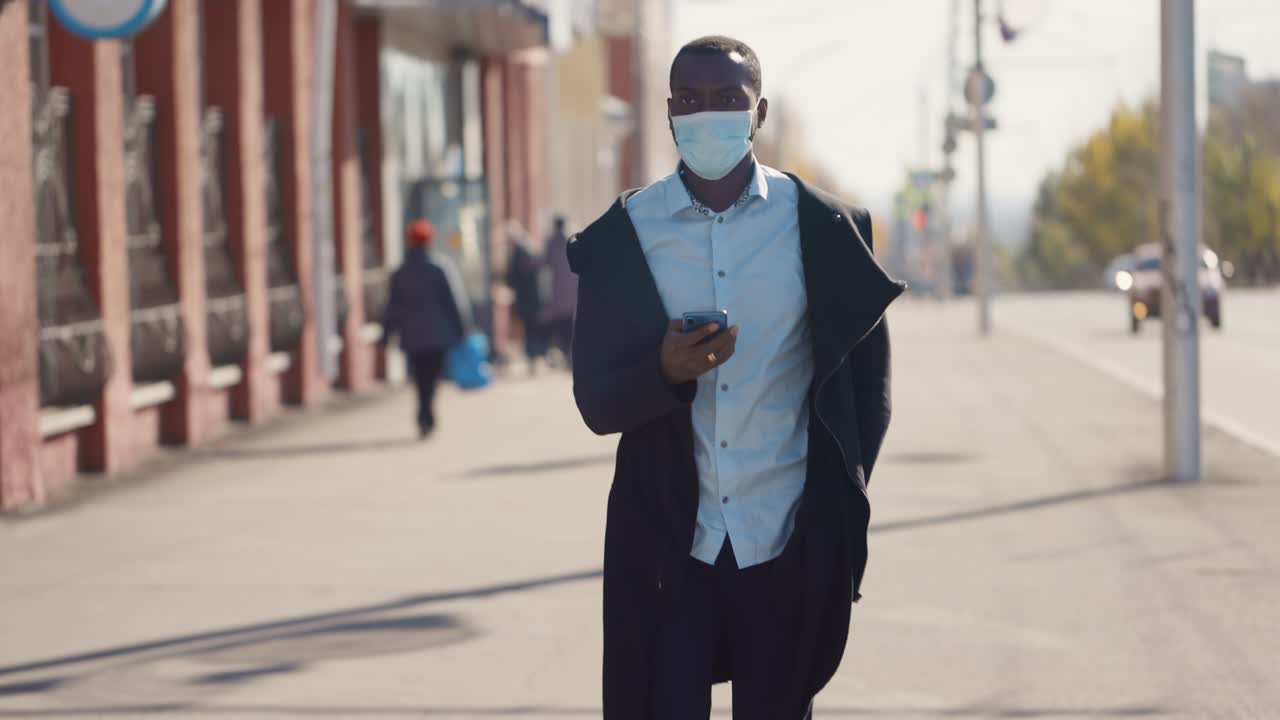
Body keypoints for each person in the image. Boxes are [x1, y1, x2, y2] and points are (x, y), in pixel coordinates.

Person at [566, 36, 906, 719]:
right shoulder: (624, 236)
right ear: (667, 112)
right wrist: (662, 371)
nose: (707, 114)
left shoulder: (824, 228)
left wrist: (835, 497)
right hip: (670, 548)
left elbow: (868, 390)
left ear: (760, 112)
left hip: (784, 540)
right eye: (689, 100)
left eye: (728, 99)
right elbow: (595, 400)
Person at [380, 220, 472, 438]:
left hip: (412, 335)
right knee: (432, 376)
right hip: (437, 334)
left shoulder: (401, 272)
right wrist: (463, 328)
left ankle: (423, 410)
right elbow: (454, 301)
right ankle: (427, 411)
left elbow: (392, 307)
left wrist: (386, 333)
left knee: (420, 376)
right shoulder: (439, 267)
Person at [505, 223, 547, 375]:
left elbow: (512, 277)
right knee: (533, 328)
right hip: (534, 297)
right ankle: (536, 358)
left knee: (529, 330)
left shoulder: (518, 253)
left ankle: (533, 358)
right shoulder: (530, 250)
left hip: (526, 298)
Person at [542, 215, 577, 368]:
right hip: (573, 293)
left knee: (561, 327)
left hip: (558, 294)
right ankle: (570, 355)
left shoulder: (552, 243)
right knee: (571, 326)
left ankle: (565, 354)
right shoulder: (574, 240)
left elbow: (544, 264)